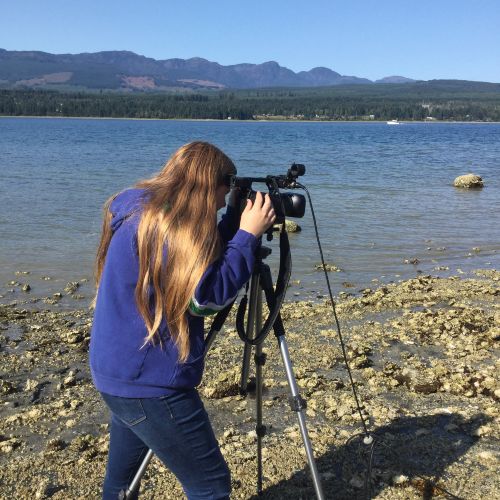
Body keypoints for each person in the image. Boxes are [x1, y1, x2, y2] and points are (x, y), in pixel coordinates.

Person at [89, 141, 276, 499]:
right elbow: (206, 298)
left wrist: (231, 231)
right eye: (223, 195)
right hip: (152, 384)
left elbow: (190, 263)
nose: (223, 204)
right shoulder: (171, 231)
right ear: (208, 186)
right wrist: (248, 237)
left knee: (122, 482)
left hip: (115, 371)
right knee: (210, 484)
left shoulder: (143, 211)